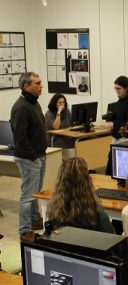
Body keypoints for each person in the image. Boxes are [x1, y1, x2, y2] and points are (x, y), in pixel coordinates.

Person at [10, 72, 47, 242]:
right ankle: (24, 231)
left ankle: (35, 219)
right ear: (26, 86)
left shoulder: (34, 103)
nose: (41, 86)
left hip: (38, 155)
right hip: (29, 158)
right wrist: (33, 156)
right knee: (27, 196)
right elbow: (19, 137)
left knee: (36, 193)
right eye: (37, 83)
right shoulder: (22, 107)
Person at [46, 158, 114, 233]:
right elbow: (114, 241)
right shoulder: (99, 216)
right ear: (87, 181)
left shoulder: (53, 211)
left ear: (60, 182)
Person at [104, 76, 128, 174]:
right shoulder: (120, 102)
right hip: (117, 139)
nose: (117, 91)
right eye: (115, 89)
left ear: (127, 88)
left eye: (119, 89)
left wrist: (114, 125)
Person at [45, 93, 75, 159]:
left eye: (63, 102)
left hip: (66, 137)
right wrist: (59, 112)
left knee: (80, 142)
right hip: (55, 139)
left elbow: (71, 125)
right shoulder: (49, 113)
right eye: (60, 103)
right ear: (54, 103)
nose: (62, 105)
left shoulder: (67, 111)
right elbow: (56, 127)